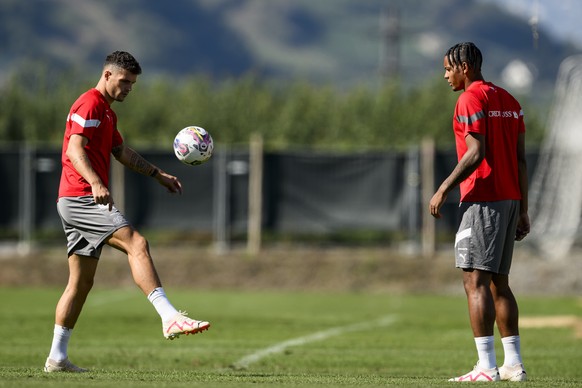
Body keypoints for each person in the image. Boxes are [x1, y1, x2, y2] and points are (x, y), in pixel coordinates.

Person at [44, 51, 210, 373]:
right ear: (107, 75)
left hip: (73, 198)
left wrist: (157, 175)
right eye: (125, 82)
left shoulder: (107, 113)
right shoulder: (89, 103)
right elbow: (74, 148)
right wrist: (94, 181)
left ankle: (57, 357)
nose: (129, 89)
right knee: (137, 243)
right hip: (81, 197)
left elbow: (120, 152)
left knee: (80, 284)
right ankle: (170, 317)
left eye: (132, 84)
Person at [429, 42, 530, 382]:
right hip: (510, 198)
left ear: (465, 68)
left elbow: (475, 152)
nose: (445, 76)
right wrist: (523, 209)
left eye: (448, 69)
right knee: (500, 283)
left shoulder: (470, 98)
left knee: (475, 281)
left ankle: (486, 367)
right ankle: (513, 365)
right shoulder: (510, 101)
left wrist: (443, 188)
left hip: (483, 197)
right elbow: (520, 160)